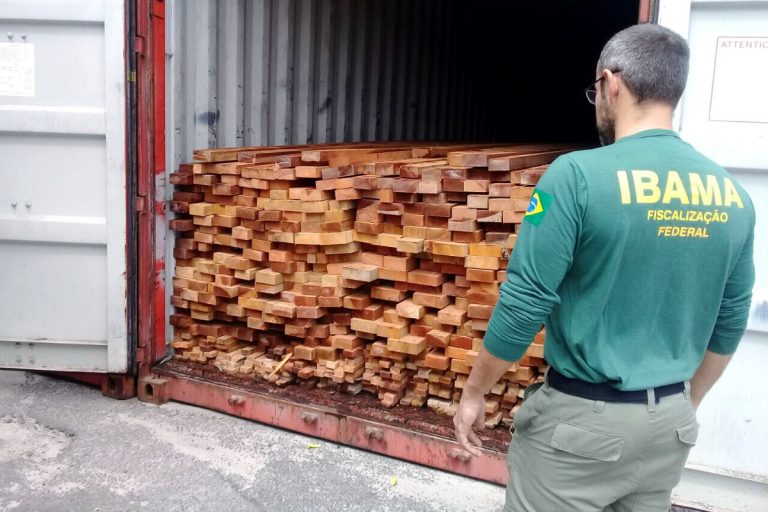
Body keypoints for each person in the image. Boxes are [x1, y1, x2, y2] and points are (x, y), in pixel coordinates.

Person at [453, 23, 755, 512]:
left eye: (595, 90)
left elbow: (527, 299)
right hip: (670, 427)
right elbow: (730, 321)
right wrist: (685, 403)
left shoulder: (577, 177)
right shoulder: (733, 197)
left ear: (611, 83)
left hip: (580, 430)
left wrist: (475, 391)